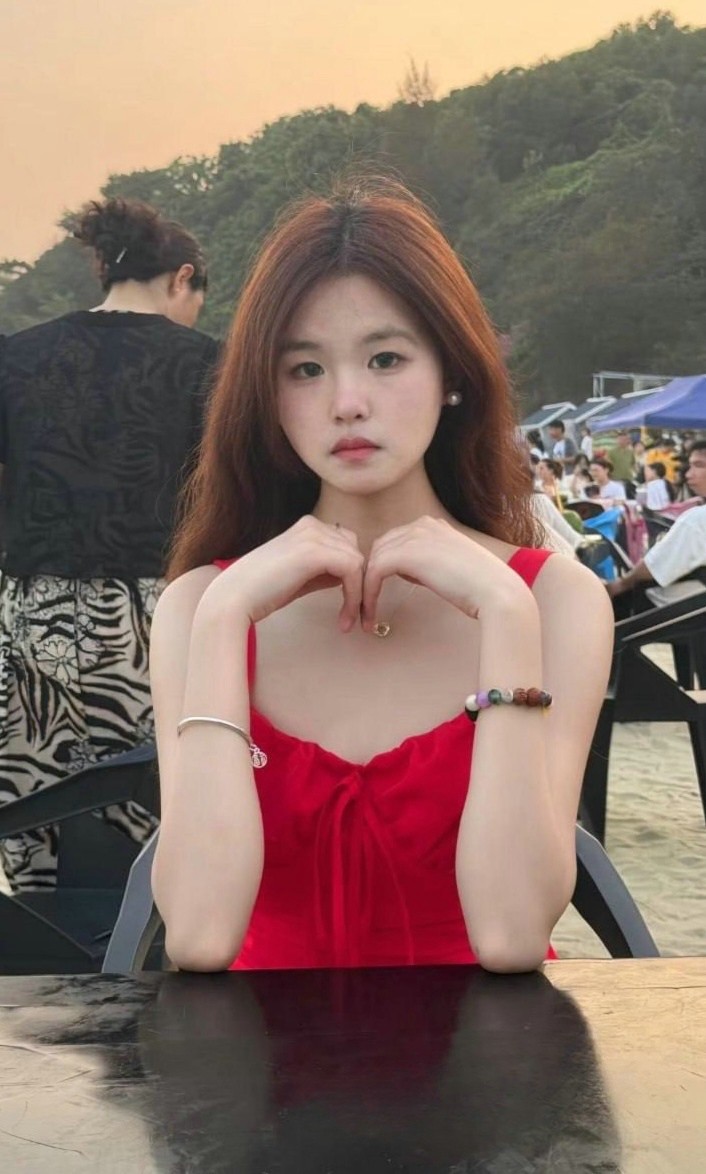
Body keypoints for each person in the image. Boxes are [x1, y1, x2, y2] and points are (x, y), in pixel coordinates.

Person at [150, 176, 612, 974]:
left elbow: (509, 937)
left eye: (386, 358)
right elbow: (198, 935)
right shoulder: (202, 606)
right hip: (255, 1054)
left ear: (452, 373)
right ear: (266, 395)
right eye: (304, 370)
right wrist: (225, 618)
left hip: (487, 1052)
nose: (348, 402)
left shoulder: (553, 601)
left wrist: (504, 613)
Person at [0, 197, 219, 891]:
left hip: (33, 617)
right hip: (160, 619)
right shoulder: (208, 363)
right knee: (161, 811)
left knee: (37, 813)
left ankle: (44, 946)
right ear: (182, 279)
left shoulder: (16, 358)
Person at [606, 441, 706, 608]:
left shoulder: (696, 520)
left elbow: (651, 568)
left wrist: (620, 584)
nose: (688, 474)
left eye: (699, 465)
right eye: (690, 466)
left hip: (671, 615)